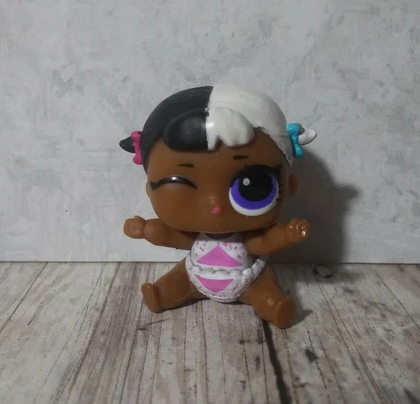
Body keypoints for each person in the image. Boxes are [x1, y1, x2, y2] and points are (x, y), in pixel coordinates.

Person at [119, 85, 316, 328]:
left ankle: (274, 307)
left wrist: (286, 234)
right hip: (194, 275)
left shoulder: (248, 239)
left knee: (265, 290)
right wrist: (146, 229)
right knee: (177, 280)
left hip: (249, 279)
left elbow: (263, 242)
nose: (215, 207)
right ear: (149, 189)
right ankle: (160, 294)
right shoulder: (194, 237)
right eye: (181, 184)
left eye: (252, 185)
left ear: (290, 184)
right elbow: (170, 235)